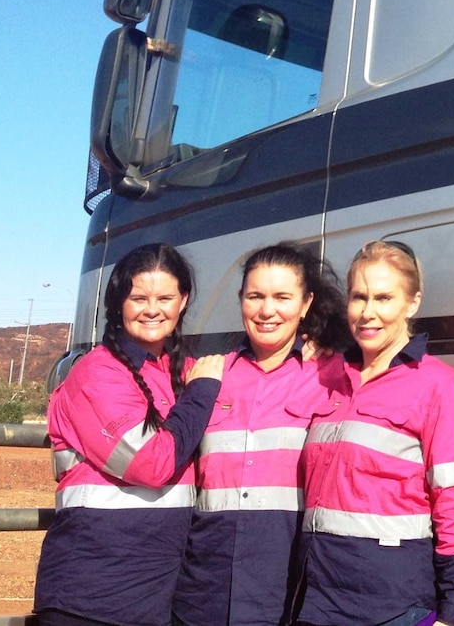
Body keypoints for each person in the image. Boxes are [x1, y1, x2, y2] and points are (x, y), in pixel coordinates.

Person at [295, 240, 454, 626]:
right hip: (317, 598)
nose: (368, 313)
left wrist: (452, 612)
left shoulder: (438, 386)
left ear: (412, 303)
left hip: (392, 605)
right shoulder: (328, 376)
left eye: (384, 298)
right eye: (359, 297)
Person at [34, 243, 225, 626]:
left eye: (165, 297)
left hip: (156, 594)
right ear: (118, 303)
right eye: (138, 297)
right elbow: (149, 463)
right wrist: (203, 391)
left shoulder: (185, 371)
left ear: (183, 300)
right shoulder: (96, 374)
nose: (152, 309)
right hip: (90, 597)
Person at [172, 244, 348, 626]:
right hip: (203, 592)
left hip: (284, 592)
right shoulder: (208, 376)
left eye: (282, 297)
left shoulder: (334, 376)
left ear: (306, 304)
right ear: (241, 300)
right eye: (256, 296)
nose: (267, 310)